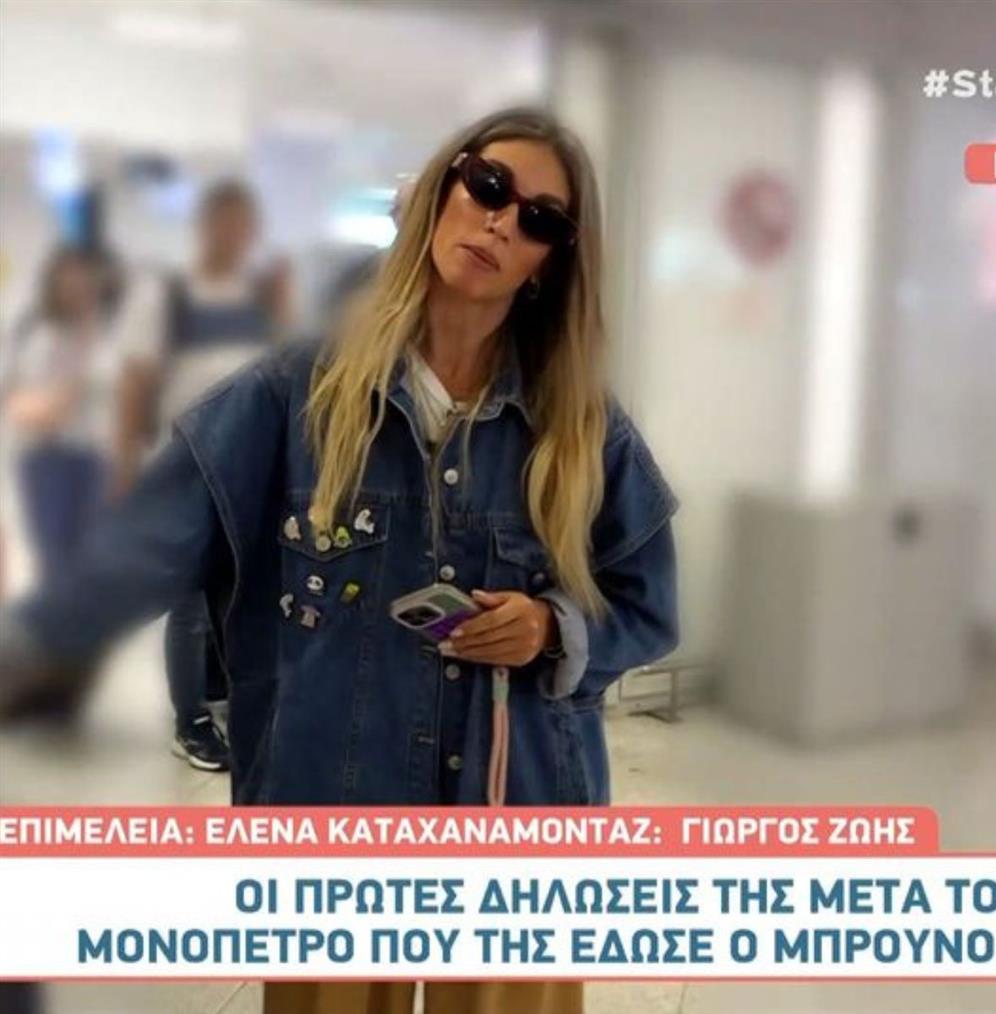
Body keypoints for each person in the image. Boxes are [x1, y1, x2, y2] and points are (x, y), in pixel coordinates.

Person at [1, 108, 679, 1013]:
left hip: (521, 815)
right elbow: (138, 548)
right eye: (487, 186)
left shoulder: (583, 428)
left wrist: (553, 629)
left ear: (551, 261)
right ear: (442, 190)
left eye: (539, 218)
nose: (499, 222)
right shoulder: (296, 394)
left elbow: (647, 604)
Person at [114, 180, 290, 772]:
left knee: (243, 590)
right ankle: (189, 720)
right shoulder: (167, 292)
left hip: (251, 462)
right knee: (188, 600)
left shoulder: (260, 295)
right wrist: (126, 466)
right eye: (226, 221)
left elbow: (282, 371)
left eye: (245, 224)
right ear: (206, 224)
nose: (235, 234)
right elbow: (136, 379)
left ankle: (232, 699)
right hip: (186, 462)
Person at [0, 246, 122, 588]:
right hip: (45, 458)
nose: (76, 287)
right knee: (55, 559)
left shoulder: (106, 338)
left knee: (91, 558)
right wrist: (56, 401)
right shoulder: (33, 335)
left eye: (84, 280)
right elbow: (16, 401)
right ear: (52, 283)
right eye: (68, 279)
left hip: (93, 457)